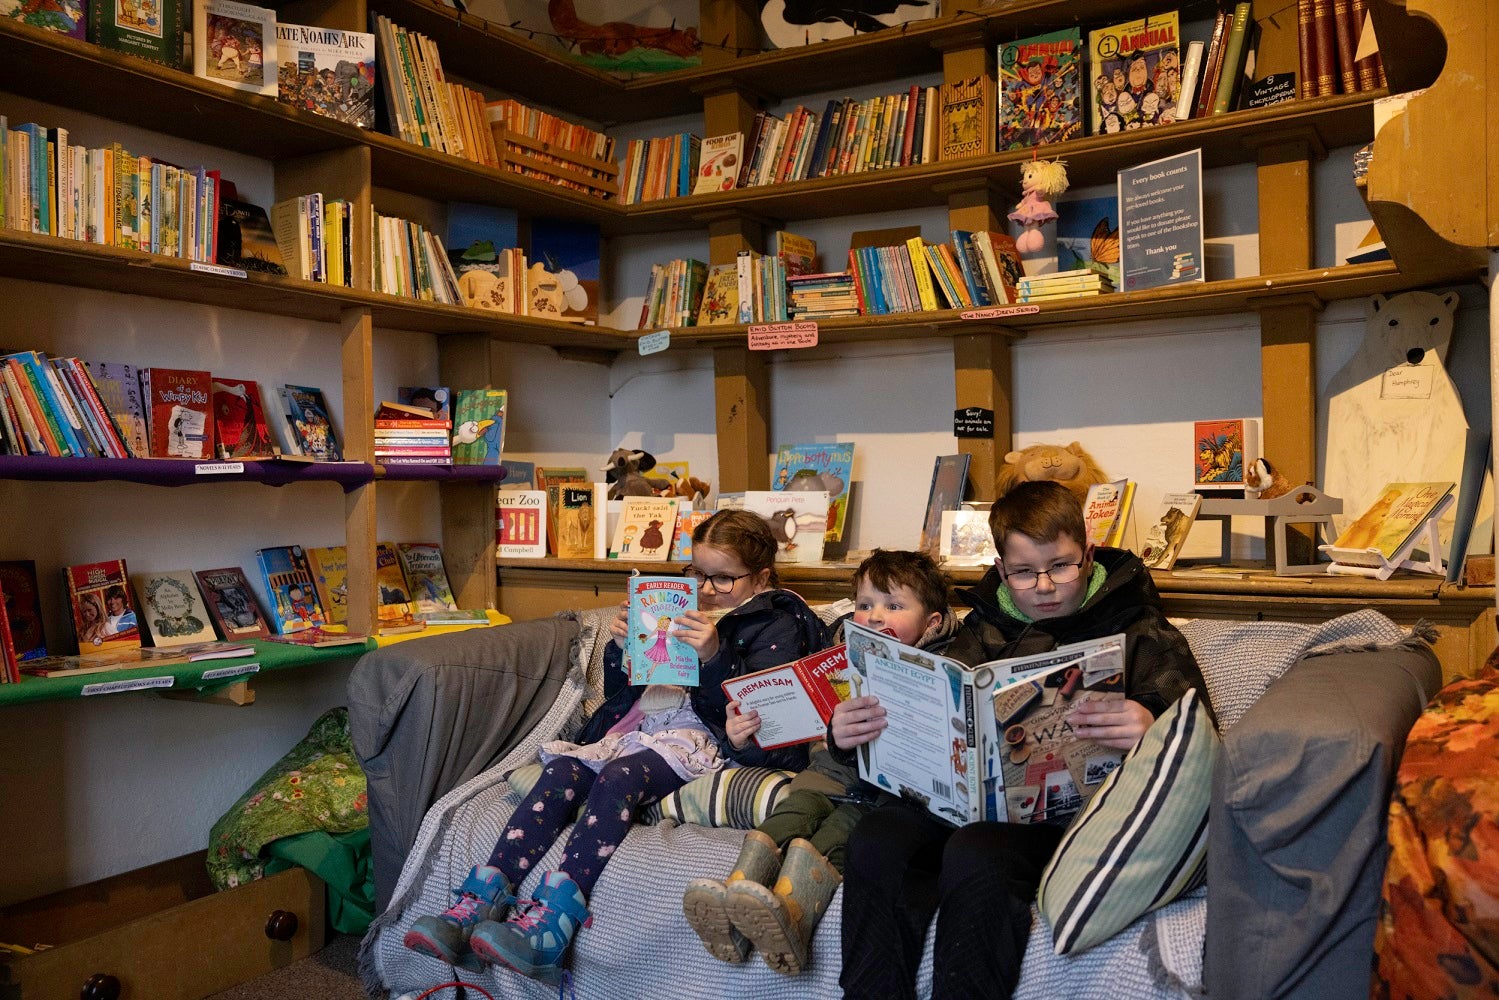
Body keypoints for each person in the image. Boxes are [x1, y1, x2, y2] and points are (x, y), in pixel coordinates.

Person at [403, 509, 825, 980]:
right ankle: (480, 900)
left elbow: (761, 712)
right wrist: (624, 648)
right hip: (640, 726)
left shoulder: (779, 621)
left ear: (762, 576)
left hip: (701, 738)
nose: (706, 589)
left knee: (620, 777)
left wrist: (714, 655)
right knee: (561, 771)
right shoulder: (683, 603)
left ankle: (553, 924)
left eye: (723, 579)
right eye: (697, 573)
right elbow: (626, 693)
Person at [836, 481, 1210, 1000]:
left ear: (1089, 554)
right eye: (1023, 572)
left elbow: (1195, 722)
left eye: (1061, 565)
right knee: (877, 837)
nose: (1044, 586)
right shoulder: (982, 626)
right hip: (961, 801)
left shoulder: (1138, 626)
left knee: (977, 852)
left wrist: (1150, 721)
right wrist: (852, 733)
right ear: (1000, 566)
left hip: (1063, 815)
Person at [684, 549, 960, 977]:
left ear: (933, 623)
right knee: (791, 813)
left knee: (832, 836)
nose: (873, 616)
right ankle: (736, 897)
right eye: (865, 605)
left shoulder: (945, 671)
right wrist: (747, 735)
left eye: (894, 605)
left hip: (875, 800)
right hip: (820, 778)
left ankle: (792, 915)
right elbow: (790, 743)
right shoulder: (835, 656)